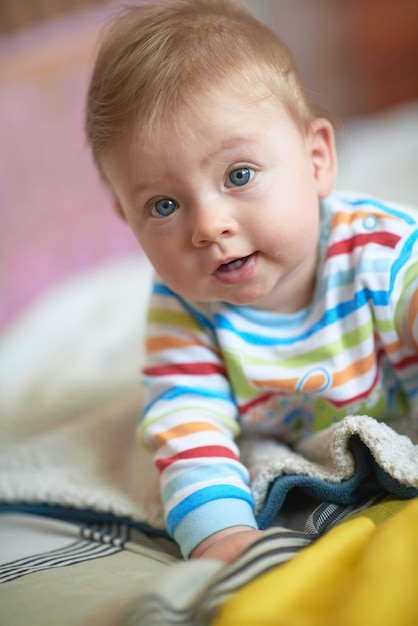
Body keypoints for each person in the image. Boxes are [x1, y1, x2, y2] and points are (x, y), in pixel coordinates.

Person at [85, 0, 418, 562]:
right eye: (163, 205)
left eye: (238, 175)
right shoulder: (185, 309)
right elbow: (187, 429)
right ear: (127, 219)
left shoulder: (381, 250)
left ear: (316, 161)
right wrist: (221, 537)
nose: (208, 226)